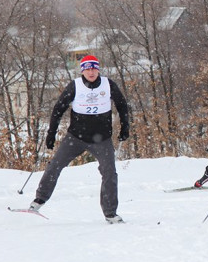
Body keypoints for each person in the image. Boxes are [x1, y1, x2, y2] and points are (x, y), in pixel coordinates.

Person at [28, 55, 131, 223]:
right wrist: (51, 133)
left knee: (110, 173)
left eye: (94, 68)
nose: (91, 72)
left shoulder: (108, 85)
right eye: (87, 69)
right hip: (76, 138)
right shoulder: (75, 86)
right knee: (55, 165)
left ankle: (110, 213)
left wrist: (125, 127)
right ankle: (39, 200)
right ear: (82, 71)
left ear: (98, 69)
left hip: (102, 139)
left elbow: (122, 105)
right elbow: (58, 109)